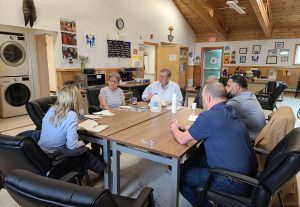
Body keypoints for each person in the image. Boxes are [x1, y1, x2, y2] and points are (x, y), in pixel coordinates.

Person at [169, 82, 258, 207]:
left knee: (179, 176)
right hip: (249, 176)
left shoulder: (209, 116)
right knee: (198, 154)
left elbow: (182, 139)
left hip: (232, 180)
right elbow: (214, 128)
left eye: (202, 98)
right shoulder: (231, 109)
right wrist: (186, 127)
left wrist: (174, 127)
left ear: (208, 98)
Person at [38, 85, 105, 175]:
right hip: (56, 154)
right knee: (83, 149)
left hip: (41, 152)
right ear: (75, 100)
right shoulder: (71, 115)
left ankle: (98, 160)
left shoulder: (52, 109)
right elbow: (72, 146)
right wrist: (81, 144)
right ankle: (106, 172)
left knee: (83, 141)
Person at [226, 75, 265, 139]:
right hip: (261, 134)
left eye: (228, 86)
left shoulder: (235, 102)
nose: (225, 87)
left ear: (236, 88)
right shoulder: (250, 95)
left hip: (251, 138)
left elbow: (217, 116)